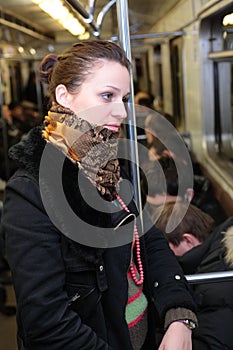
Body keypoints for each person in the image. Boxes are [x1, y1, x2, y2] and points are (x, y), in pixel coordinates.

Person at [0, 40, 197, 350]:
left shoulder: (113, 165)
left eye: (124, 98)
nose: (120, 111)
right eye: (107, 96)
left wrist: (178, 315)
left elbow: (149, 242)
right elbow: (47, 323)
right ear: (64, 96)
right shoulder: (30, 191)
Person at [155, 201, 233, 350]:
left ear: (188, 239)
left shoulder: (215, 281)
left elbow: (212, 343)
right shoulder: (211, 258)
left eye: (168, 250)